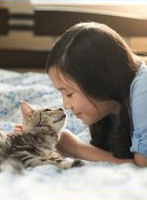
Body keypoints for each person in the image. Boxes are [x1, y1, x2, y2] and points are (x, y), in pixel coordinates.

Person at [45, 22, 147, 167]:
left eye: (69, 94)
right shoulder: (112, 104)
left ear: (99, 81)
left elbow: (143, 166)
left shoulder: (143, 92)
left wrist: (76, 148)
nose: (66, 106)